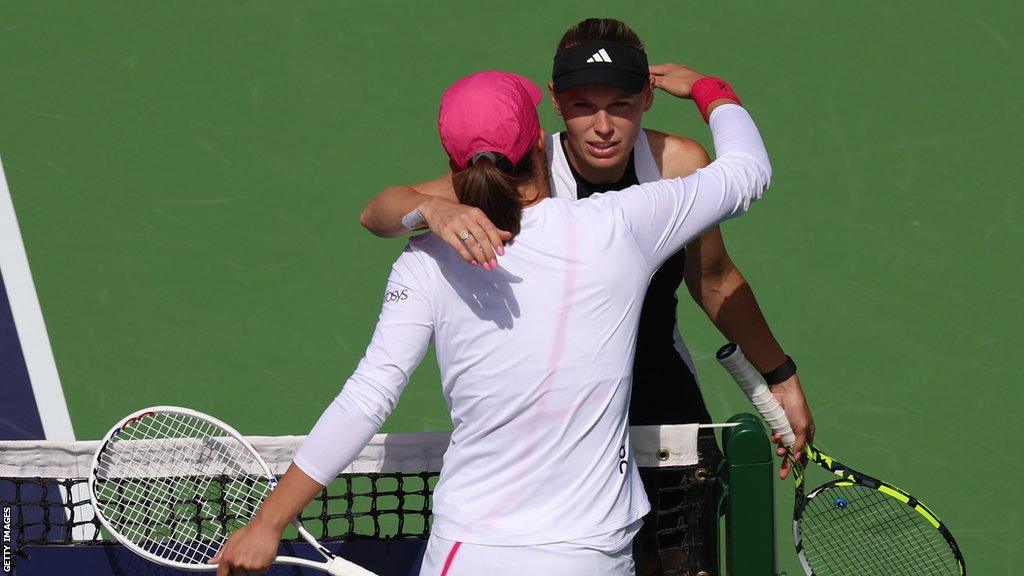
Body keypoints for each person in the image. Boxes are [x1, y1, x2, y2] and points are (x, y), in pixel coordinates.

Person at [212, 65, 770, 576]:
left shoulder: (426, 259)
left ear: (454, 164)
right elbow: (748, 171)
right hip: (593, 555)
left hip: (469, 551)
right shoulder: (620, 227)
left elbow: (369, 395)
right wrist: (710, 90)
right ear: (538, 142)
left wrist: (268, 523)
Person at [359, 18, 813, 574]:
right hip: (564, 416)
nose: (603, 127)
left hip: (660, 397)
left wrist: (780, 375)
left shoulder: (677, 166)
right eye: (582, 104)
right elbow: (379, 213)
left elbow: (713, 278)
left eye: (621, 104)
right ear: (553, 101)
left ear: (648, 97)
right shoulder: (523, 171)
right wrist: (431, 207)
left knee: (681, 565)